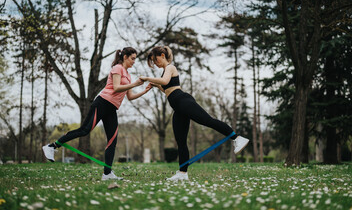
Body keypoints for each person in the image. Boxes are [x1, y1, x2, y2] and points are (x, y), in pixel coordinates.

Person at [140, 46, 249, 181]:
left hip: (184, 102)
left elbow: (165, 82)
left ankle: (237, 138)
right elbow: (166, 89)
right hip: (178, 107)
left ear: (162, 55)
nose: (155, 64)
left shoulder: (170, 68)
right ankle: (182, 173)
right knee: (181, 140)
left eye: (155, 60)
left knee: (208, 121)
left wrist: (146, 78)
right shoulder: (164, 72)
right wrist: (155, 85)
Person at [43, 47, 151, 181]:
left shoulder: (128, 75)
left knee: (112, 140)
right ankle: (52, 146)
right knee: (85, 130)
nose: (134, 61)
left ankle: (107, 173)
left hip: (112, 109)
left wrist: (144, 91)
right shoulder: (118, 68)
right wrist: (135, 84)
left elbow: (130, 97)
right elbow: (116, 88)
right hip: (102, 103)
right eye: (132, 58)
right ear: (125, 57)